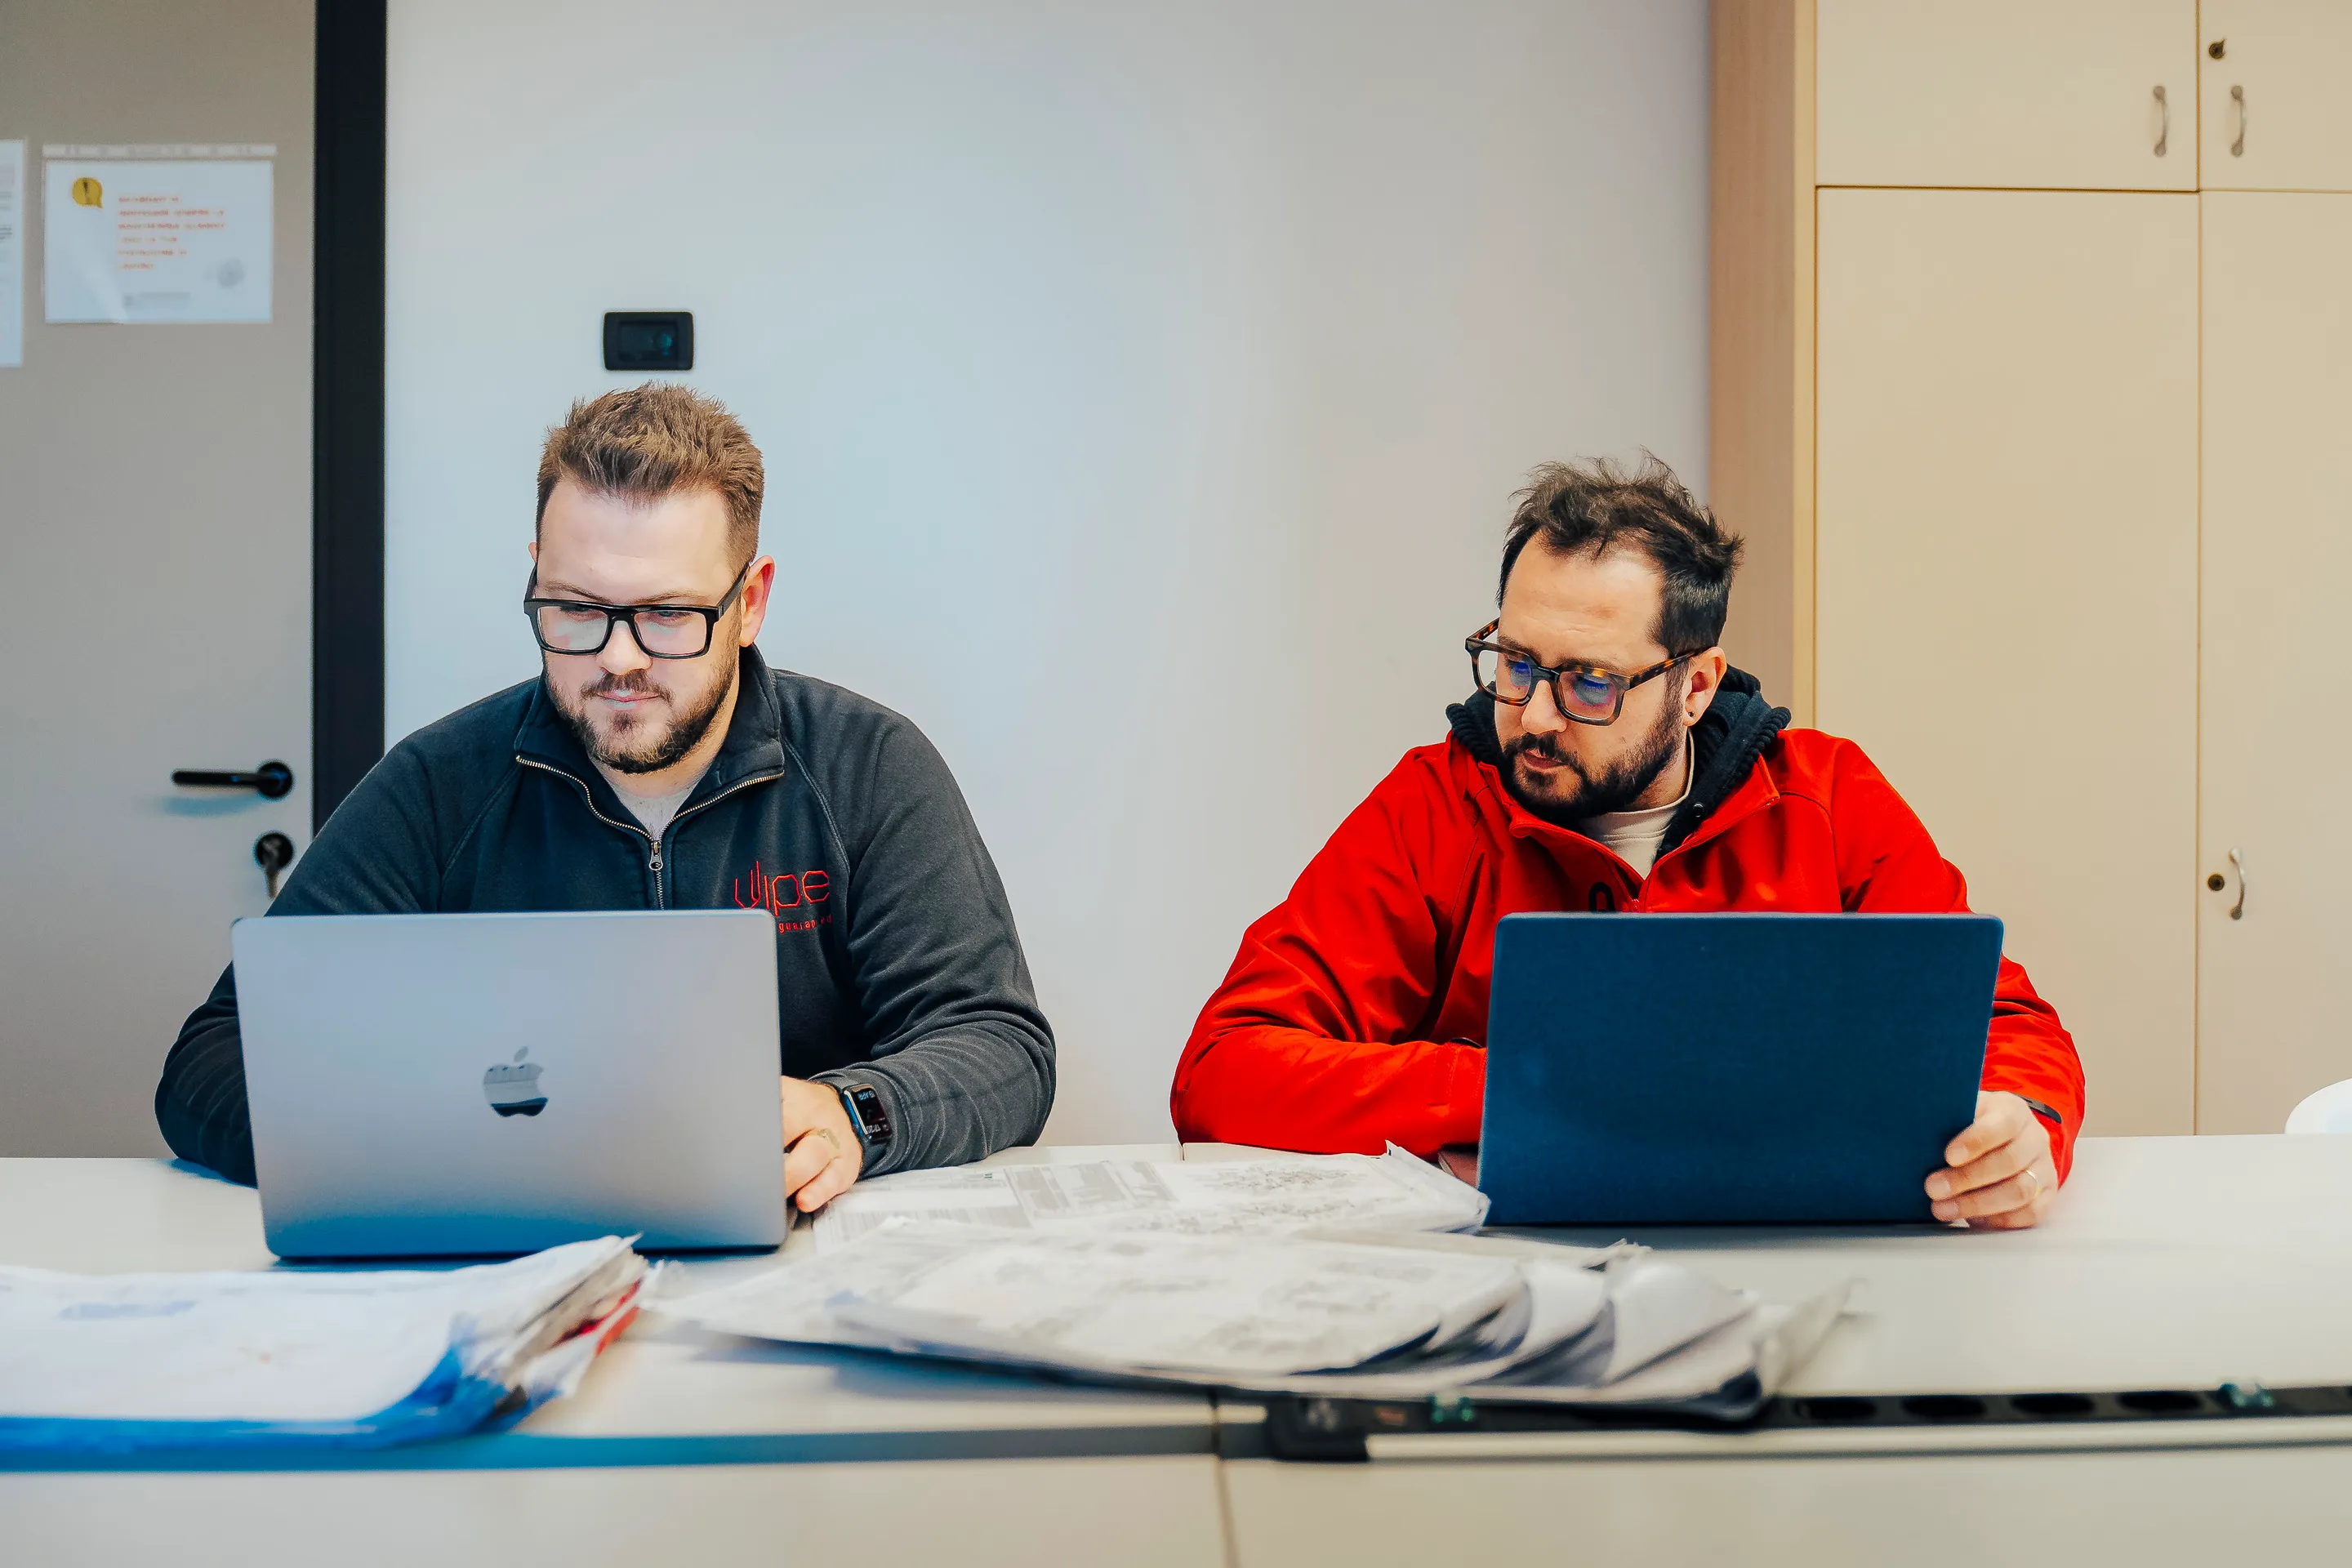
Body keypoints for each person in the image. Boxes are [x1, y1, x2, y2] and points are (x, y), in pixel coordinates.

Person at [158, 385, 1054, 1209]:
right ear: (536, 576)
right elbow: (214, 1061)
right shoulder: (438, 786)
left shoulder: (869, 766)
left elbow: (998, 1043)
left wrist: (854, 1114)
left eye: (667, 615)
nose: (619, 659)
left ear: (751, 604)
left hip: (800, 1266)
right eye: (578, 610)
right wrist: (437, 1149)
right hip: (503, 1261)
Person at [1171, 456, 2082, 1229]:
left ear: (1694, 687)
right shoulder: (1436, 804)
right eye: (1515, 663)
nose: (1532, 715)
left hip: (1813, 1274)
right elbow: (1225, 1068)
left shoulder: (1829, 795)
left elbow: (2009, 1028)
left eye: (1590, 684)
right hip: (1513, 1300)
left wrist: (2026, 1124)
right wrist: (1515, 1087)